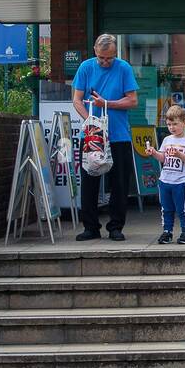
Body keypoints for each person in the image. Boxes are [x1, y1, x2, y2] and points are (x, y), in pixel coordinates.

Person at [72, 34, 138, 241]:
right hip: (92, 134)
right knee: (90, 179)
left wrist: (107, 104)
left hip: (118, 134)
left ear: (115, 53)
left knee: (119, 182)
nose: (105, 62)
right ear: (95, 50)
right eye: (102, 58)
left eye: (109, 58)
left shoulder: (124, 68)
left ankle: (115, 227)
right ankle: (90, 227)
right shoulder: (85, 67)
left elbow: (133, 100)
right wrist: (91, 121)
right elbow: (77, 100)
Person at [147, 104, 185, 245]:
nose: (172, 127)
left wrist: (180, 154)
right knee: (166, 208)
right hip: (165, 180)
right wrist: (154, 153)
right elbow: (163, 158)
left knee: (182, 208)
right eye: (169, 124)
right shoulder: (167, 140)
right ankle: (167, 232)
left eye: (175, 124)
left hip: (181, 181)